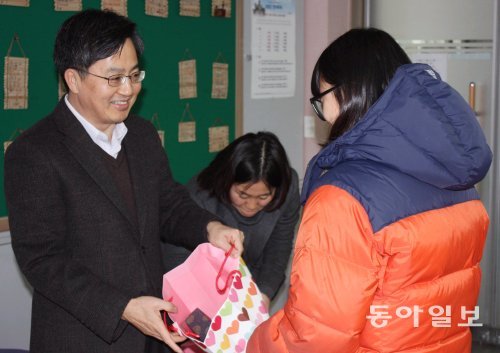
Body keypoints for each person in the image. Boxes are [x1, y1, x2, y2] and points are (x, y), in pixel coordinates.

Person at [4, 9, 244, 353]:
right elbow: (43, 261)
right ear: (73, 79)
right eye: (114, 78)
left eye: (134, 75)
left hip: (154, 333)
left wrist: (210, 229)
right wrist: (124, 308)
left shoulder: (142, 135)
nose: (128, 89)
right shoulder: (35, 152)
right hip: (85, 338)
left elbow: (167, 204)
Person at [248, 28, 492, 353]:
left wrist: (255, 341)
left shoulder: (343, 198)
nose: (325, 115)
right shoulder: (457, 178)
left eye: (322, 100)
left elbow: (316, 339)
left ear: (349, 92)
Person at [162, 131, 300, 309]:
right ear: (226, 180)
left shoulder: (287, 188)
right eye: (243, 194)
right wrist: (214, 306)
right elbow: (177, 263)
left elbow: (278, 249)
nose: (251, 205)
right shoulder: (198, 197)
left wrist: (263, 295)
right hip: (201, 291)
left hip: (251, 284)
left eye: (263, 197)